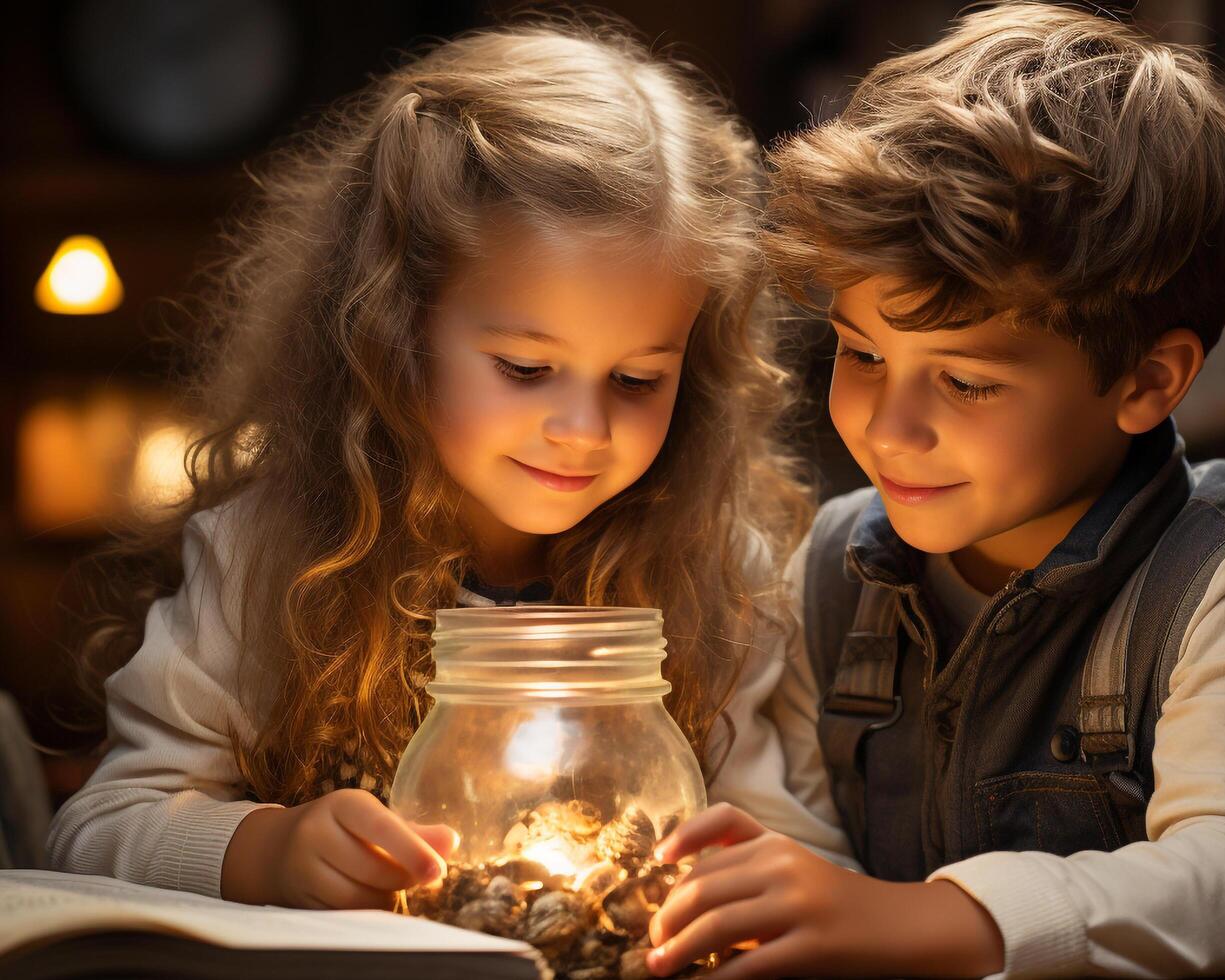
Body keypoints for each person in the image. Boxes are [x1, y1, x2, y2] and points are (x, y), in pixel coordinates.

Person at [645, 4, 1225, 977]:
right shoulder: (829, 576)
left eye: (966, 381)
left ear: (1144, 380)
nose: (888, 427)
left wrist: (917, 921)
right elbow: (800, 857)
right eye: (860, 353)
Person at [44, 14, 847, 910]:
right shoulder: (265, 562)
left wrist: (747, 879)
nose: (581, 428)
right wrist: (264, 851)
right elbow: (96, 829)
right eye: (525, 369)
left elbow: (796, 852)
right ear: (394, 331)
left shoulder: (719, 580)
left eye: (635, 377)